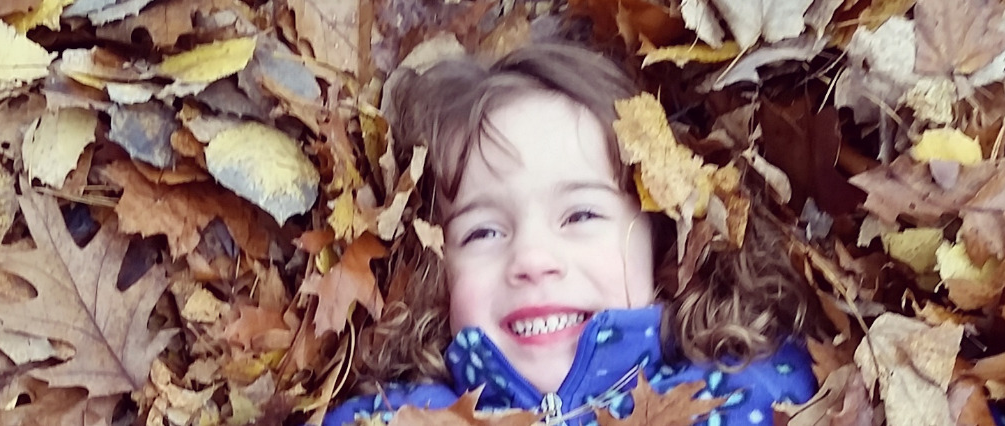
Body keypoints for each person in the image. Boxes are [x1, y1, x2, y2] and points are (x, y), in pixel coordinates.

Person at [321, 43, 817, 426]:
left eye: (580, 216)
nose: (532, 258)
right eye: (483, 231)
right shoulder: (396, 417)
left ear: (665, 242)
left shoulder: (744, 387)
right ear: (438, 273)